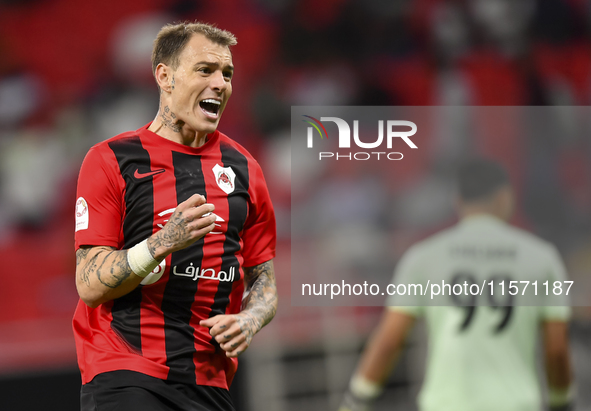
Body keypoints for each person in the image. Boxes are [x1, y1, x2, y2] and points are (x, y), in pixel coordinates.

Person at [73, 22, 277, 411]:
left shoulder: (246, 170)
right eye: (205, 70)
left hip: (210, 381)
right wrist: (161, 242)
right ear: (165, 76)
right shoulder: (112, 160)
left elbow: (263, 281)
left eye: (227, 74)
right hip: (127, 373)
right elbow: (89, 283)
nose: (220, 83)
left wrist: (250, 319)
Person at [339, 159, 573, 411]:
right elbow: (556, 348)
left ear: (458, 201)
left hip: (448, 403)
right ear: (505, 197)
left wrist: (356, 400)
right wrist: (562, 402)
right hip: (516, 404)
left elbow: (389, 340)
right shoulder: (542, 257)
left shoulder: (423, 257)